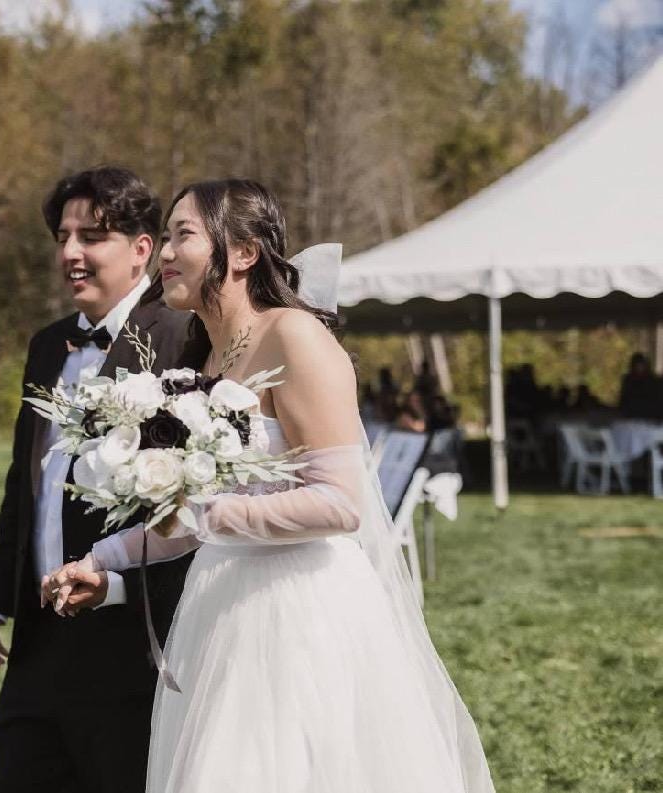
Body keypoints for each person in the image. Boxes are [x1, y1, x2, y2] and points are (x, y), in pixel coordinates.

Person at [44, 179, 495, 792]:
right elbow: (189, 518)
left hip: (299, 612)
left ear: (245, 251)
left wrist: (206, 512)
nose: (165, 255)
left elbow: (340, 503)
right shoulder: (210, 362)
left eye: (184, 236)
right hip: (220, 612)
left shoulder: (294, 335)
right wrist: (102, 561)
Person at [0, 166, 205, 793]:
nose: (70, 252)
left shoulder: (185, 339)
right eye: (63, 235)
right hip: (41, 632)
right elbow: (27, 482)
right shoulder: (47, 345)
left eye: (92, 236)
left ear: (141, 250)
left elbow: (202, 506)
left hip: (136, 644)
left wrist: (118, 588)